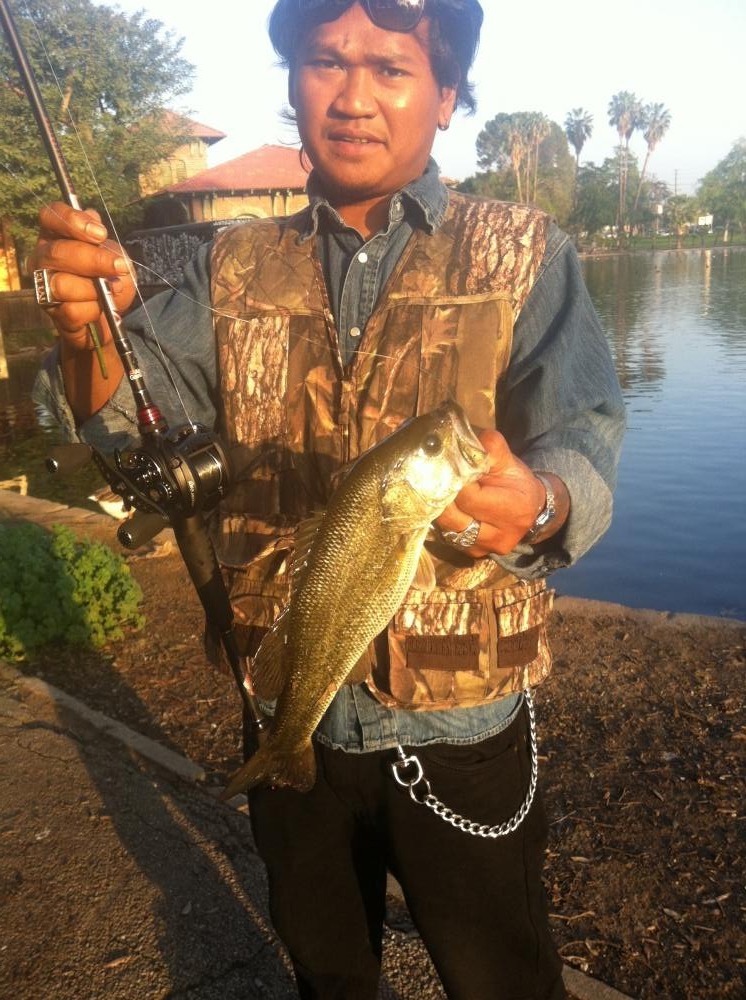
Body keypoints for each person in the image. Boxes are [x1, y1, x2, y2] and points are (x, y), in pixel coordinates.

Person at [30, 1, 625, 997]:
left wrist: (541, 503)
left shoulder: (525, 249)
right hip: (285, 700)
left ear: (444, 99)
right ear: (294, 82)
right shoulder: (225, 264)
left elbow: (582, 436)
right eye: (324, 61)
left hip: (462, 728)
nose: (352, 96)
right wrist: (87, 324)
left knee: (504, 980)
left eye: (391, 68)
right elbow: (131, 422)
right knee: (328, 973)